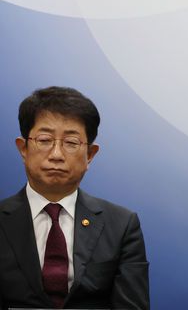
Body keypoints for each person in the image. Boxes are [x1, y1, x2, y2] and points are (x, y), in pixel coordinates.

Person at [0, 86, 149, 309]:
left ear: (90, 155)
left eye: (71, 143)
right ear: (23, 148)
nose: (56, 155)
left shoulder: (121, 225)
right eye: (44, 140)